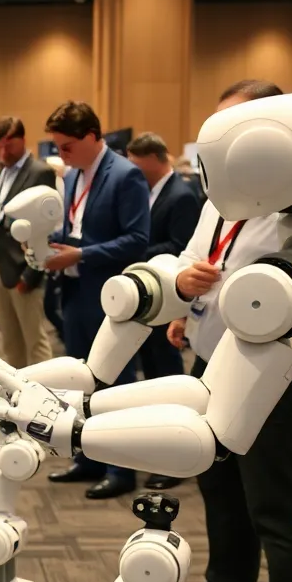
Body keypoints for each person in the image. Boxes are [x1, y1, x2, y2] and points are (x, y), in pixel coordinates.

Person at [167, 79, 292, 582]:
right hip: (213, 359)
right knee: (219, 484)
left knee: (279, 511)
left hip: (276, 377)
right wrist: (183, 284)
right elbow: (190, 257)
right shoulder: (221, 193)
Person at [40, 101, 150, 500]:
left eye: (66, 146)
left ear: (91, 136)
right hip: (74, 290)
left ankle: (120, 468)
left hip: (110, 294)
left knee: (113, 383)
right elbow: (80, 231)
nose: (61, 155)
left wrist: (81, 255)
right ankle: (86, 456)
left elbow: (138, 240)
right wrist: (55, 248)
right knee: (80, 382)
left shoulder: (126, 175)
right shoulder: (72, 177)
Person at [124, 132, 203, 491]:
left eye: (139, 166)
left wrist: (134, 253)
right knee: (154, 379)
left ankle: (177, 458)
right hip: (153, 299)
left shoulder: (182, 195)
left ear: (157, 158)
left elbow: (180, 248)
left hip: (169, 299)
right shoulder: (152, 192)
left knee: (169, 381)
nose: (135, 173)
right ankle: (160, 450)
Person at [0, 117, 56, 368]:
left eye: (8, 146)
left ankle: (47, 396)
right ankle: (20, 396)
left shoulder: (39, 172)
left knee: (35, 341)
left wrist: (32, 275)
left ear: (22, 140)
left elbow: (48, 227)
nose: (2, 152)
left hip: (23, 268)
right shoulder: (0, 172)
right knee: (10, 341)